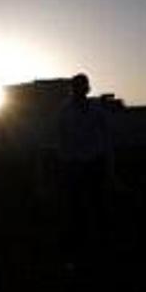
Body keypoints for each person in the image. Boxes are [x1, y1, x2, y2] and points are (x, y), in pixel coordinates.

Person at [55, 73, 116, 259]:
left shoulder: (96, 109)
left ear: (86, 88)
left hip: (93, 162)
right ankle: (81, 241)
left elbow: (106, 135)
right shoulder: (65, 111)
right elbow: (61, 137)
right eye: (77, 86)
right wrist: (64, 161)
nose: (80, 89)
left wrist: (107, 161)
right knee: (77, 205)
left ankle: (101, 240)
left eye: (83, 86)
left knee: (96, 202)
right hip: (75, 163)